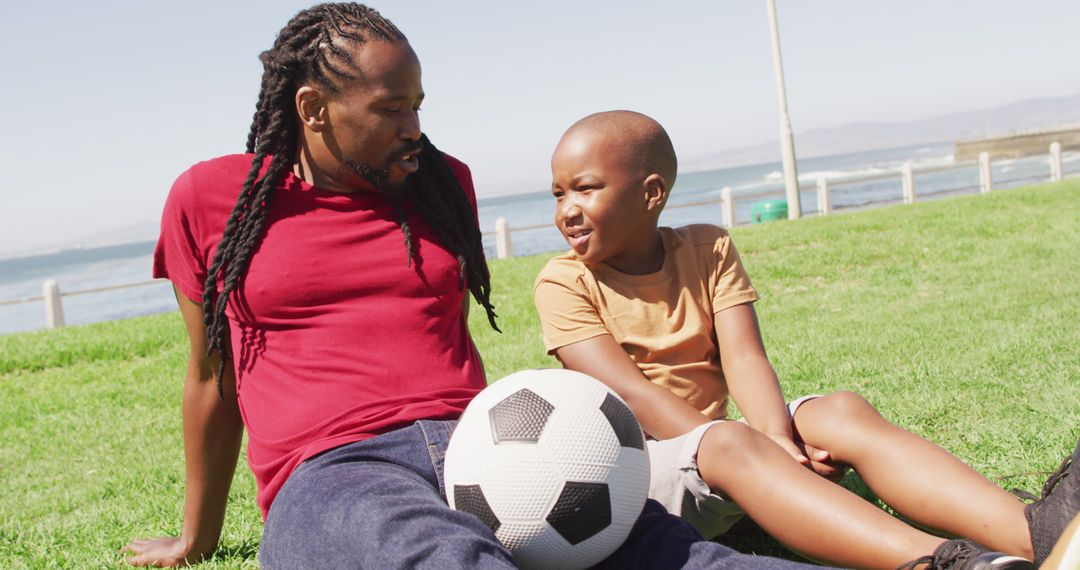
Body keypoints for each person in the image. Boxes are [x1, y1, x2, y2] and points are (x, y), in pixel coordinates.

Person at [121, 5, 828, 569]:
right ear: (312, 109)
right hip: (331, 471)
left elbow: (433, 340)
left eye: (419, 104)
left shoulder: (439, 184)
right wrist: (197, 536)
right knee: (443, 555)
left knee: (668, 550)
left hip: (485, 441)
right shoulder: (209, 200)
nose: (415, 128)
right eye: (392, 109)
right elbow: (212, 377)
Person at [533, 110, 1080, 569]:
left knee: (838, 411)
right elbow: (636, 396)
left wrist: (778, 439)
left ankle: (1041, 535)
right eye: (559, 194)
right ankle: (945, 562)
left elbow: (745, 356)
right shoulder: (563, 282)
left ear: (651, 193)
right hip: (643, 474)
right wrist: (764, 451)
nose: (567, 210)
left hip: (733, 450)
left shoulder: (707, 247)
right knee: (728, 442)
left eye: (585, 189)